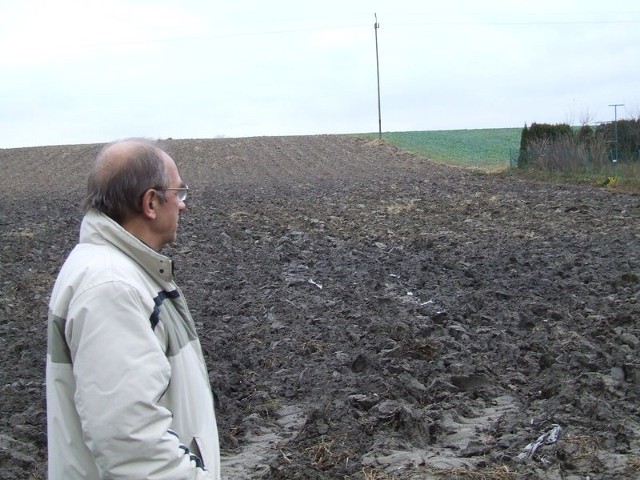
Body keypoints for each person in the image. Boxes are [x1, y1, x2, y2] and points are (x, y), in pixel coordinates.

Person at [46, 139, 221, 479]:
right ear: (151, 202)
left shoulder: (120, 271)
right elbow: (133, 444)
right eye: (178, 192)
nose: (182, 205)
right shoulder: (111, 289)